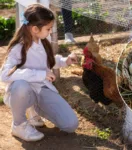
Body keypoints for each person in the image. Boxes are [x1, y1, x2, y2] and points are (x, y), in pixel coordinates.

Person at [0, 4, 79, 142]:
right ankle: (19, 125)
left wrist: (65, 61)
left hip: (41, 88)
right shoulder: (18, 47)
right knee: (21, 86)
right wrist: (39, 75)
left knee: (70, 125)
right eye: (48, 29)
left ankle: (34, 110)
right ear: (35, 29)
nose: (50, 32)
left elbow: (47, 62)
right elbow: (4, 74)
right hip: (22, 92)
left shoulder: (42, 41)